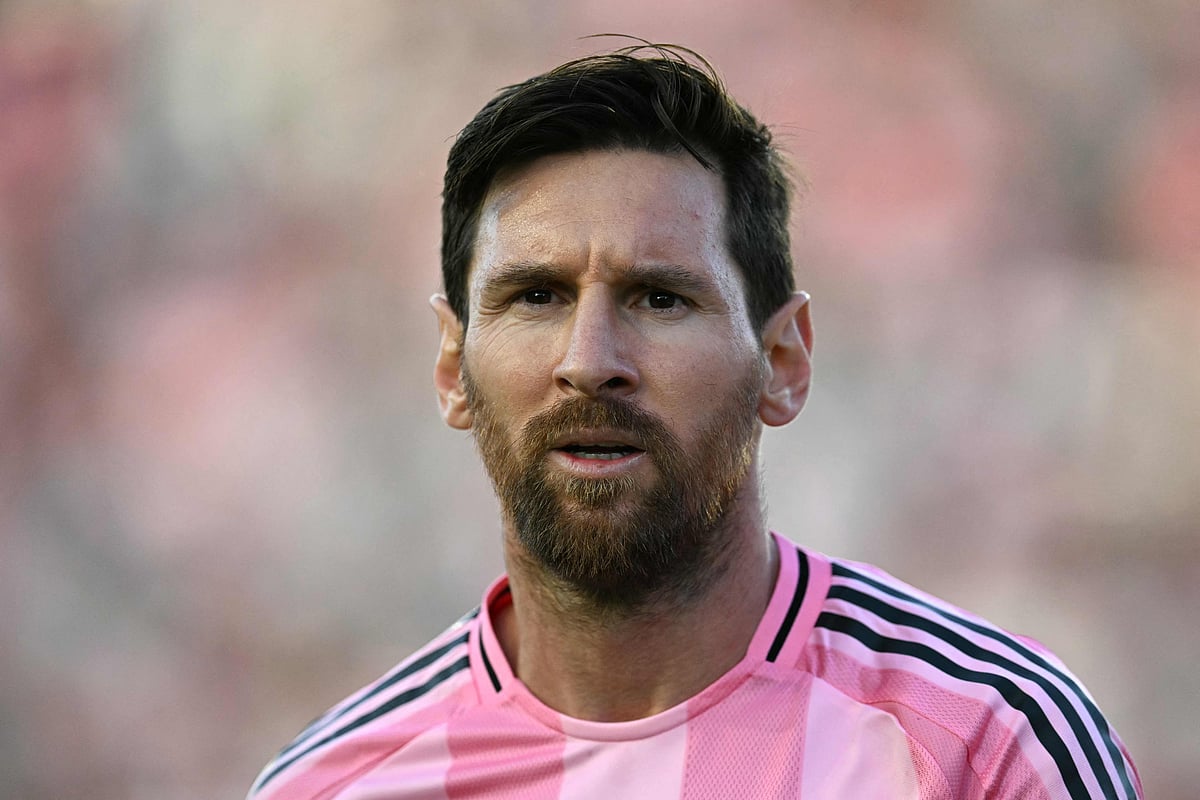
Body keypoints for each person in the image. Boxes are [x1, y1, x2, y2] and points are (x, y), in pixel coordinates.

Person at [247, 43, 1142, 799]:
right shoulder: (332, 784)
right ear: (452, 367)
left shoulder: (987, 745)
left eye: (660, 297)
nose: (590, 359)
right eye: (535, 296)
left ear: (783, 362)